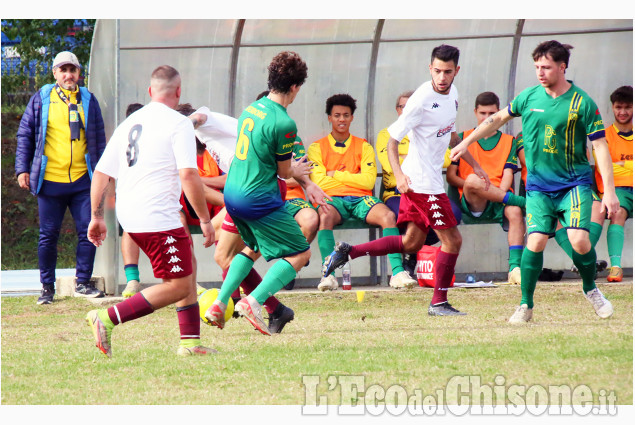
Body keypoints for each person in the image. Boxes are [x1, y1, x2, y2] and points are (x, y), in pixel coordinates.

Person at [450, 40, 620, 323]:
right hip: (539, 186)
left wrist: (610, 193)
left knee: (579, 240)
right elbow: (496, 120)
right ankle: (525, 306)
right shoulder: (528, 97)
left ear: (562, 67)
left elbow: (600, 146)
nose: (540, 72)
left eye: (546, 67)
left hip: (574, 183)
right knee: (537, 240)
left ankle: (591, 289)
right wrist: (466, 141)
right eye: (537, 67)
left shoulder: (582, 102)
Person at [323, 44, 490, 315]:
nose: (442, 77)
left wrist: (475, 165)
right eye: (437, 71)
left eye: (448, 71)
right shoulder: (421, 99)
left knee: (411, 242)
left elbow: (451, 134)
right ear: (430, 68)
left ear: (456, 71)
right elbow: (392, 141)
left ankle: (348, 251)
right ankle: (439, 302)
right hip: (422, 184)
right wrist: (399, 175)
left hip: (429, 181)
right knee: (453, 241)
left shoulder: (454, 95)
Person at [85, 65, 216, 357]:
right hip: (157, 216)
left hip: (130, 216)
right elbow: (189, 175)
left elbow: (101, 174)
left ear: (150, 92)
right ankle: (106, 318)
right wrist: (205, 219)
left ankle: (190, 344)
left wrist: (96, 218)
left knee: (187, 268)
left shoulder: (129, 123)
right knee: (179, 286)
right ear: (178, 91)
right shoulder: (178, 123)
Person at [204, 51, 329, 336]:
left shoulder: (252, 108)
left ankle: (219, 304)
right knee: (301, 252)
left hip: (233, 196)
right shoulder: (285, 124)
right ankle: (254, 302)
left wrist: (300, 178)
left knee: (250, 248)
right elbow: (284, 172)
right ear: (295, 87)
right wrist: (298, 170)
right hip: (258, 199)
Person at [15, 51, 106, 304]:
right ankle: (47, 288)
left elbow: (99, 138)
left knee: (88, 231)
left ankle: (83, 282)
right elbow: (25, 134)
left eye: (72, 70)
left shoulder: (88, 99)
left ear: (79, 74)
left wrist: (104, 173)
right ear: (54, 73)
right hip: (50, 180)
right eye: (63, 70)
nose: (68, 75)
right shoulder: (42, 98)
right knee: (48, 235)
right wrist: (22, 169)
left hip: (82, 180)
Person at [309, 93, 416, 290]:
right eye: (337, 115)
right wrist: (352, 177)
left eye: (346, 115)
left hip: (361, 199)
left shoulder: (363, 145)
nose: (342, 119)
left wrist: (335, 174)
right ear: (329, 118)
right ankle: (328, 276)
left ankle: (398, 273)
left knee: (387, 215)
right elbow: (319, 182)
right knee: (324, 216)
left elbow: (367, 180)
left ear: (352, 117)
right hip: (332, 199)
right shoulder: (317, 147)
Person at [376, 90, 462, 278]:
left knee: (454, 215)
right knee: (401, 217)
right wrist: (422, 158)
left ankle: (416, 252)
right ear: (397, 110)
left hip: (428, 191)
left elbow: (447, 160)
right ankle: (403, 264)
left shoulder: (428, 129)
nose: (407, 110)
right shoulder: (387, 134)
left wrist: (406, 158)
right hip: (397, 194)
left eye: (410, 107)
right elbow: (389, 165)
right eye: (402, 107)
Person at [446, 91, 526, 285]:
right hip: (473, 199)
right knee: (473, 180)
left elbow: (507, 176)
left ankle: (514, 269)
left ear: (498, 113)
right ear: (475, 112)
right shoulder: (464, 138)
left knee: (515, 211)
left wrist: (492, 191)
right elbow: (451, 176)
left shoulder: (509, 141)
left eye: (491, 113)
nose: (487, 118)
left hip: (499, 198)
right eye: (482, 113)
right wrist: (481, 188)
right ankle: (526, 203)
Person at [591, 86, 632, 282]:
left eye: (627, 107)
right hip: (616, 190)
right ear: (612, 108)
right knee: (616, 212)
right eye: (618, 107)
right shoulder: (603, 136)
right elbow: (603, 167)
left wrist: (621, 164)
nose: (622, 112)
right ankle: (615, 267)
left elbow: (613, 166)